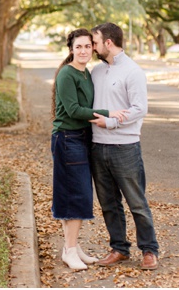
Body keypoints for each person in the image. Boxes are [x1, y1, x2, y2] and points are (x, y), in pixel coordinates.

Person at [51, 29, 126, 271]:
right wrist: (108, 113)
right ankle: (70, 251)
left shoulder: (86, 74)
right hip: (67, 138)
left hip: (82, 138)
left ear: (93, 49)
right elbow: (73, 110)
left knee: (73, 194)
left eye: (87, 46)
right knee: (77, 195)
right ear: (71, 49)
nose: (83, 50)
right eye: (78, 46)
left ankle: (71, 247)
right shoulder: (67, 75)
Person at [88, 22, 160, 270]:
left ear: (108, 42)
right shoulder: (96, 71)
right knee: (108, 203)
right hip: (98, 147)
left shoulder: (133, 71)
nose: (93, 47)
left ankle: (150, 250)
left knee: (136, 202)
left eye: (95, 42)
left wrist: (111, 122)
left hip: (125, 147)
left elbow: (140, 109)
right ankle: (119, 248)